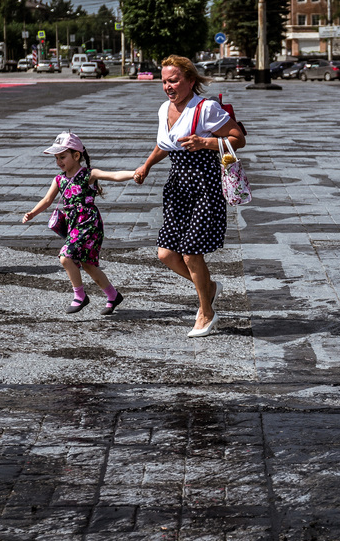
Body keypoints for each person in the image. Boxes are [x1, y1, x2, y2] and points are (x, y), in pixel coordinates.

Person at [132, 55, 246, 338]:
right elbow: (165, 145)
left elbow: (238, 138)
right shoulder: (163, 109)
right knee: (166, 253)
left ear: (190, 81)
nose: (168, 86)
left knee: (191, 252)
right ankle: (208, 287)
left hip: (205, 184)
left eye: (173, 80)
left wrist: (205, 142)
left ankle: (207, 313)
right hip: (177, 186)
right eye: (164, 82)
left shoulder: (206, 108)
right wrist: (146, 165)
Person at [23, 132, 133, 314]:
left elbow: (114, 175)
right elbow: (47, 200)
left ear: (76, 155)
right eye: (56, 158)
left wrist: (136, 173)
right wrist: (32, 213)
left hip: (89, 223)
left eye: (62, 157)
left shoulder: (88, 174)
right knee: (88, 264)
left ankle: (80, 296)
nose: (59, 161)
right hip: (73, 224)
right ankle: (113, 295)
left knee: (66, 257)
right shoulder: (59, 179)